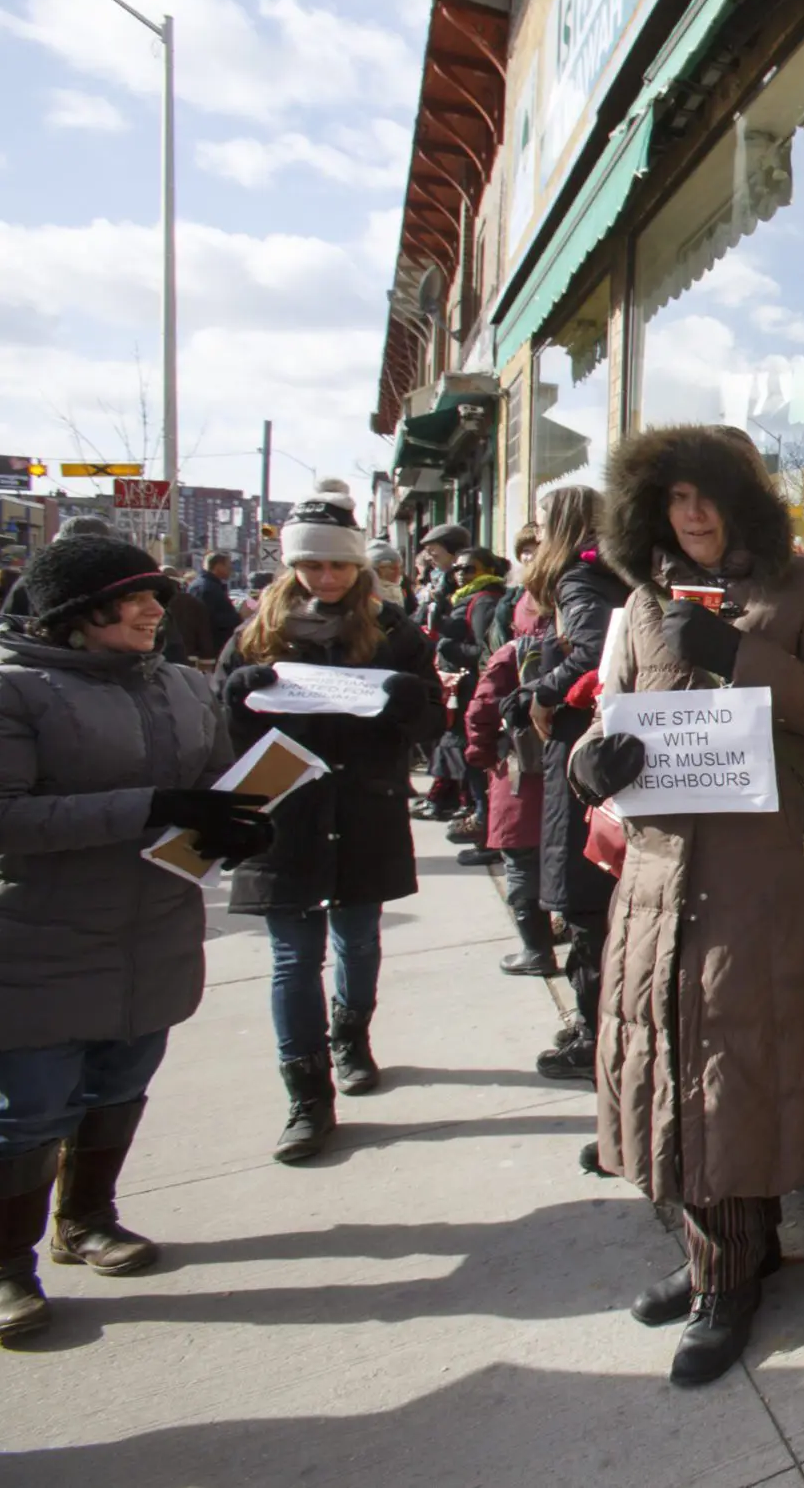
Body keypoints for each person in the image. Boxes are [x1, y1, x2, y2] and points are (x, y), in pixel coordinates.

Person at [567, 425, 804, 1388]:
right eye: (673, 499)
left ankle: (727, 1282)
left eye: (707, 496)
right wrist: (590, 768)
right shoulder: (640, 604)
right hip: (659, 878)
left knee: (731, 1071)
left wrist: (742, 657)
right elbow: (606, 720)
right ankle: (726, 1256)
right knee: (673, 1065)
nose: (691, 514)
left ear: (742, 501)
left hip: (759, 880)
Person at [0, 538, 271, 1340]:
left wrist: (238, 831)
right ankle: (8, 1266)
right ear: (76, 614)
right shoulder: (16, 693)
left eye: (158, 595)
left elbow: (215, 791)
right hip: (43, 936)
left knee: (119, 1083)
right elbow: (7, 816)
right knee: (30, 1109)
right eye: (135, 597)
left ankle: (87, 1219)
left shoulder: (186, 684)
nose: (157, 608)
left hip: (155, 929)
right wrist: (154, 806)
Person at [214, 480, 444, 1164]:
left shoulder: (395, 634)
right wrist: (233, 697)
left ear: (358, 567)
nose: (325, 576)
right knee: (292, 958)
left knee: (358, 939)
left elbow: (433, 725)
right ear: (292, 567)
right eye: (312, 564)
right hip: (286, 817)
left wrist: (411, 702)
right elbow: (222, 736)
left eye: (338, 564)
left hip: (364, 809)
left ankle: (352, 1039)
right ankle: (307, 1095)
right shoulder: (258, 634)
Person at [513, 486, 627, 1082]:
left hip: (580, 748)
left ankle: (591, 1033)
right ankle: (595, 1023)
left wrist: (542, 690)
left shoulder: (578, 581)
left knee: (582, 898)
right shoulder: (614, 572)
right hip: (606, 747)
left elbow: (589, 653)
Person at [463, 584, 552, 976]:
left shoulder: (509, 654)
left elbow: (480, 709)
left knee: (520, 867)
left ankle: (536, 949)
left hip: (518, 775)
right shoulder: (584, 649)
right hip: (568, 777)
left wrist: (481, 756)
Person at [430, 547, 510, 865]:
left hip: (476, 694)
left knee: (479, 765)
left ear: (488, 569)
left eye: (469, 568)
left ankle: (487, 832)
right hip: (464, 693)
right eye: (458, 569)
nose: (461, 574)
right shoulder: (463, 597)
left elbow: (483, 651)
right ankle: (482, 824)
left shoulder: (484, 600)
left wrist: (448, 645)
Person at [188, 552, 243, 653]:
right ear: (218, 566)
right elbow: (208, 619)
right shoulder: (207, 588)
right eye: (228, 566)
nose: (231, 570)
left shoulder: (206, 585)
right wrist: (240, 616)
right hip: (209, 649)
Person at [366, 539, 411, 617]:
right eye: (392, 568)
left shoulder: (401, 588)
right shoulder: (367, 593)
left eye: (400, 568)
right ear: (375, 569)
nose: (398, 572)